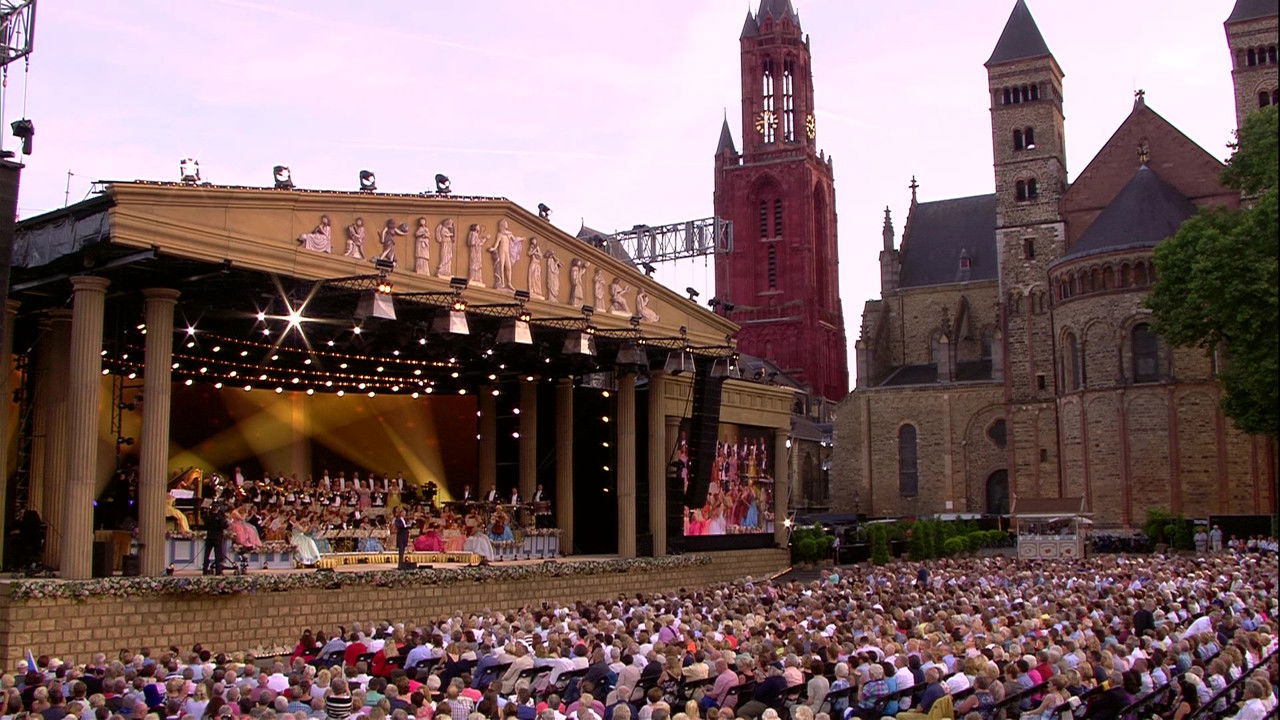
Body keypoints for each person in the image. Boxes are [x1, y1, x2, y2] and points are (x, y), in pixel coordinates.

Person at [202, 503, 229, 575]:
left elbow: (205, 526)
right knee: (218, 555)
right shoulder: (220, 517)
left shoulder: (208, 517)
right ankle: (218, 571)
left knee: (206, 554)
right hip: (217, 538)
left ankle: (205, 569)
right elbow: (225, 526)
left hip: (209, 537)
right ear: (217, 509)